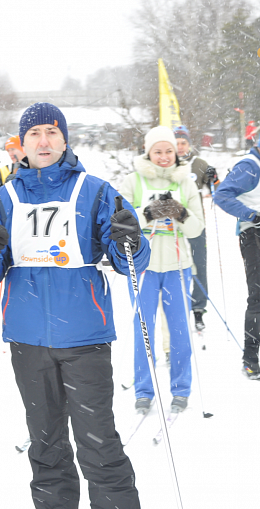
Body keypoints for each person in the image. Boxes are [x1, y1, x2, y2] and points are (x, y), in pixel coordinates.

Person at [0, 103, 148, 509]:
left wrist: (130, 240)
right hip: (29, 341)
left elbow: (130, 262)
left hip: (85, 337)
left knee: (98, 446)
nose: (43, 141)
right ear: (22, 143)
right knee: (46, 449)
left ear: (65, 139)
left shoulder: (96, 190)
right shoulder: (5, 197)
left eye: (51, 132)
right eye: (34, 134)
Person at [120, 125, 205, 414]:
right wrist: (150, 213)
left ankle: (181, 389)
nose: (164, 156)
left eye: (169, 150)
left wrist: (179, 212)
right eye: (158, 151)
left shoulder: (186, 182)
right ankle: (144, 390)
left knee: (180, 331)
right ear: (148, 152)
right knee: (143, 330)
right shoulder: (134, 180)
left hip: (177, 267)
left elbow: (196, 228)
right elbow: (121, 223)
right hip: (143, 268)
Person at [214, 138, 260, 380]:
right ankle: (251, 358)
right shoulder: (250, 165)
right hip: (254, 233)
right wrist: (251, 214)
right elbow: (221, 195)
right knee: (258, 296)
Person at [174, 125, 218, 329]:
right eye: (177, 143)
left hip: (195, 223)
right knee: (175, 267)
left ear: (189, 144)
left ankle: (198, 309)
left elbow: (217, 190)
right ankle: (176, 306)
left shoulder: (198, 163)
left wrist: (213, 178)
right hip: (171, 225)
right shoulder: (167, 163)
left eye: (183, 143)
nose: (180, 147)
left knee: (199, 266)